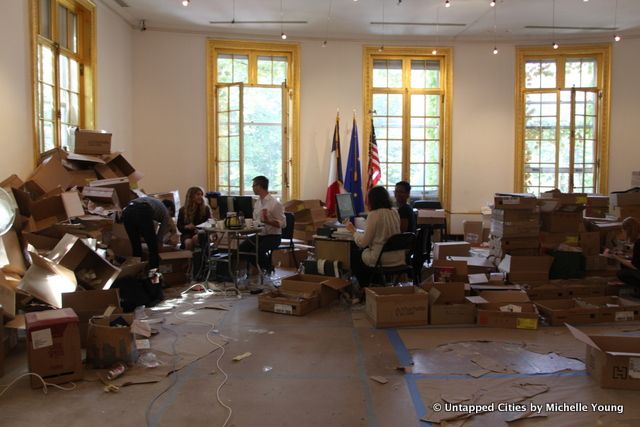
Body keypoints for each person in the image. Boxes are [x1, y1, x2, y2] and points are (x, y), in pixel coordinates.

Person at [345, 186, 404, 285]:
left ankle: (365, 287)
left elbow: (363, 243)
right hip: (398, 258)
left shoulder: (374, 215)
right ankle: (377, 283)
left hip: (381, 259)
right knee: (363, 254)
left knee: (353, 256)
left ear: (372, 200)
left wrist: (353, 231)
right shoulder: (394, 212)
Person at [238, 176, 285, 273]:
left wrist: (268, 221)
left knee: (257, 251)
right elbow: (256, 220)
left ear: (259, 186)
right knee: (242, 248)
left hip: (273, 236)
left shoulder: (275, 203)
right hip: (260, 234)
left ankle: (267, 267)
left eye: (253, 185)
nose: (252, 187)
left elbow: (283, 224)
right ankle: (265, 267)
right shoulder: (257, 203)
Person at [122, 196, 173, 269]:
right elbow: (159, 238)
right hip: (142, 209)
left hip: (127, 210)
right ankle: (154, 275)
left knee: (136, 247)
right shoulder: (166, 215)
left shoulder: (156, 205)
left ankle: (136, 273)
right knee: (153, 247)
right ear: (170, 209)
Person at [606, 216, 640, 294]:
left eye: (623, 231)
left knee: (622, 274)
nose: (622, 233)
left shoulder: (638, 243)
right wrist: (625, 257)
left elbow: (635, 266)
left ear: (628, 230)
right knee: (624, 265)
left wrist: (616, 257)